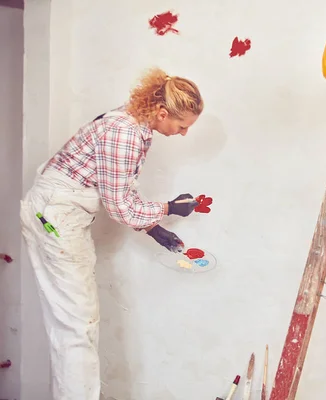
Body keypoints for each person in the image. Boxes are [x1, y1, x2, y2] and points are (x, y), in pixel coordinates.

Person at [19, 67, 203, 399]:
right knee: (78, 326)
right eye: (182, 125)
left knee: (73, 325)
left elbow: (118, 192)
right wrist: (168, 208)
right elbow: (119, 207)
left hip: (56, 211)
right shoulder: (126, 133)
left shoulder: (134, 123)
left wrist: (151, 228)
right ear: (163, 113)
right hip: (57, 216)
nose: (183, 133)